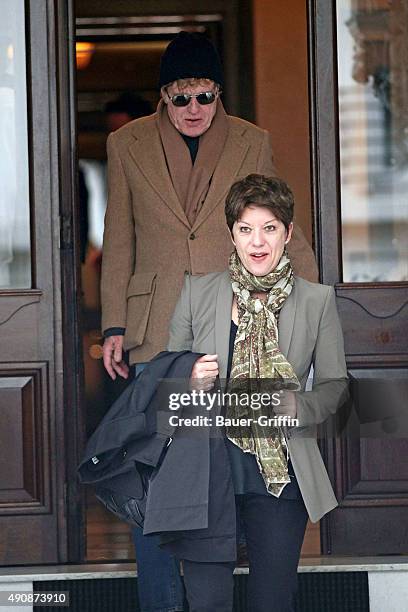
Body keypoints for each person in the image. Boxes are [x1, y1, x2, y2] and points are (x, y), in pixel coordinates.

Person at [101, 32, 318, 612]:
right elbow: (119, 236)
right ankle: (164, 602)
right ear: (164, 97)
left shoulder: (253, 140)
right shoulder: (127, 144)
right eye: (181, 98)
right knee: (162, 473)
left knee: (226, 478)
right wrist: (114, 325)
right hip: (157, 333)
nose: (194, 110)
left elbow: (275, 218)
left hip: (233, 327)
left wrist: (309, 308)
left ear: (218, 93)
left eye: (204, 96)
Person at [165, 174, 349, 612]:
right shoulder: (197, 292)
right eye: (246, 229)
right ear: (232, 235)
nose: (257, 242)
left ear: (287, 233)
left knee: (273, 600)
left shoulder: (315, 300)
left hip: (281, 473)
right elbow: (164, 383)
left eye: (269, 228)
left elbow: (335, 386)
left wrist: (297, 405)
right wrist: (187, 382)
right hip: (207, 469)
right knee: (208, 600)